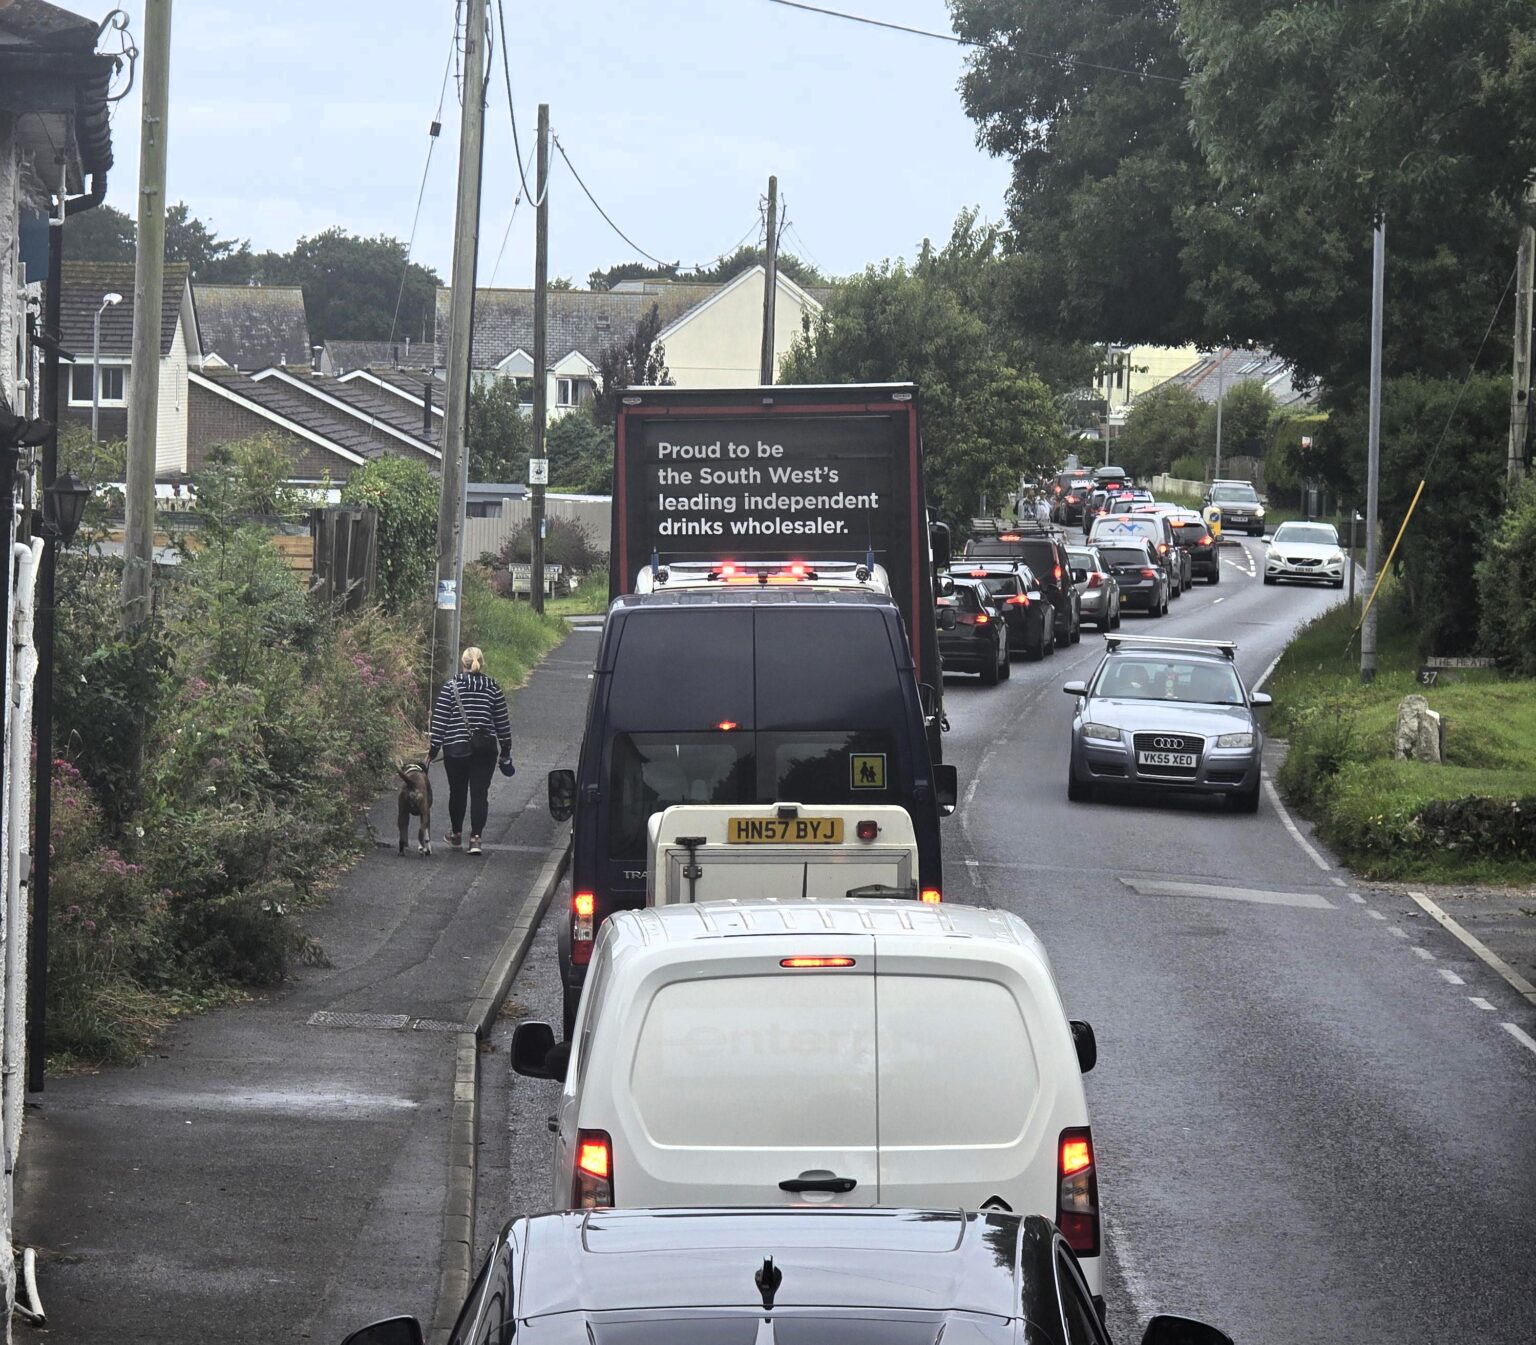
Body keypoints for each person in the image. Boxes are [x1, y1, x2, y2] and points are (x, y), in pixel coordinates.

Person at [428, 646, 512, 855]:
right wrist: (506, 750)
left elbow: (439, 722)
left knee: (457, 792)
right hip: (485, 750)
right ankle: (476, 839)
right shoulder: (493, 688)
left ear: (462, 663)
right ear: (481, 663)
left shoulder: (450, 687)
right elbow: (502, 722)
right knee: (479, 793)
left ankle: (456, 834)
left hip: (455, 749)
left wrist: (432, 751)